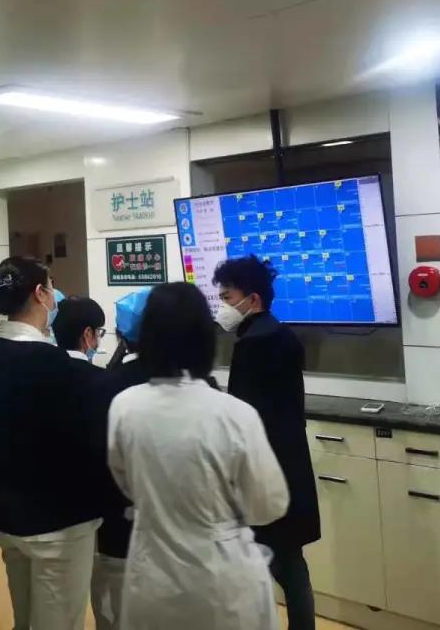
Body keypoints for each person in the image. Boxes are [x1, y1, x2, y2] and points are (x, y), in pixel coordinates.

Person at [107, 282, 290, 630]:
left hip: (153, 576)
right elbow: (269, 505)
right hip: (222, 581)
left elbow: (125, 481)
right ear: (205, 339)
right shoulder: (234, 414)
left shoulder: (125, 406)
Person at [0, 257, 103, 630]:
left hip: (6, 514)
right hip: (57, 522)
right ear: (40, 294)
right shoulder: (57, 365)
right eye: (51, 287)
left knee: (24, 618)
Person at [213, 255, 321, 630]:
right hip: (290, 464)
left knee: (271, 568)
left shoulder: (253, 344)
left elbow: (244, 417)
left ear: (253, 299)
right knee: (292, 565)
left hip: (264, 469)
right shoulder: (280, 334)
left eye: (227, 298)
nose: (223, 307)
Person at [86, 288, 151, 630]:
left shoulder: (106, 386)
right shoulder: (200, 391)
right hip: (178, 543)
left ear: (121, 335)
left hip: (116, 529)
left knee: (113, 613)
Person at [52, 295, 107, 363]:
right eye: (98, 331)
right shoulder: (89, 369)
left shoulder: (47, 366)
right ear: (88, 333)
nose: (99, 337)